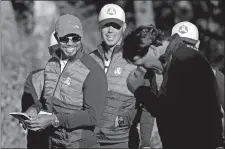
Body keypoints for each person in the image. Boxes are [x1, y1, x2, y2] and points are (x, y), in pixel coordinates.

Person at [123, 24, 223, 149]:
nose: (142, 70)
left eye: (141, 64)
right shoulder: (174, 61)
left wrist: (140, 90)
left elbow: (175, 117)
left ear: (153, 49)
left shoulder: (184, 60)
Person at [24, 14, 108, 149]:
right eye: (64, 39)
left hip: (80, 144)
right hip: (54, 143)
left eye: (75, 38)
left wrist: (53, 119)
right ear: (57, 38)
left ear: (81, 37)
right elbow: (47, 101)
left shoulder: (93, 71)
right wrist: (35, 109)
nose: (70, 43)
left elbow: (93, 116)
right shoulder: (51, 65)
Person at [89, 4, 162, 148]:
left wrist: (146, 143)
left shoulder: (136, 59)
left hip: (124, 143)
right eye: (106, 25)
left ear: (123, 27)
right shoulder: (89, 60)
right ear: (99, 27)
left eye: (115, 26)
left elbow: (146, 108)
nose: (110, 30)